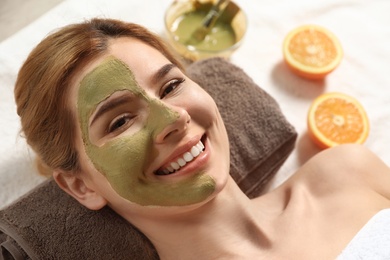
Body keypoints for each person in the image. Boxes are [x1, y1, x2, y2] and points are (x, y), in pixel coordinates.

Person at [14, 18, 390, 259]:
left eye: (171, 85)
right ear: (81, 186)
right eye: (120, 121)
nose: (174, 117)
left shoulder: (345, 173)